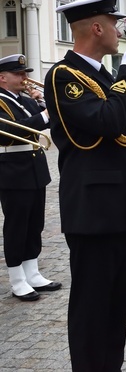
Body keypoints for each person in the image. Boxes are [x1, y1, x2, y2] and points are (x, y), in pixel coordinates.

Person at [46, 0, 126, 371]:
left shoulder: (102, 75)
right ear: (97, 27)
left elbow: (120, 122)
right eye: (115, 23)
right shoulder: (63, 75)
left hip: (119, 206)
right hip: (92, 210)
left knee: (116, 300)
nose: (120, 30)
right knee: (92, 303)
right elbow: (105, 121)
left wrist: (124, 80)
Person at [0, 54, 61, 301]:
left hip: (33, 167)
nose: (25, 77)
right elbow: (11, 130)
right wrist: (43, 114)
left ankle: (32, 273)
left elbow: (47, 120)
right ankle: (17, 280)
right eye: (19, 74)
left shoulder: (22, 100)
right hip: (12, 169)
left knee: (35, 223)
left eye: (25, 73)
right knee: (17, 225)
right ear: (2, 78)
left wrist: (41, 102)